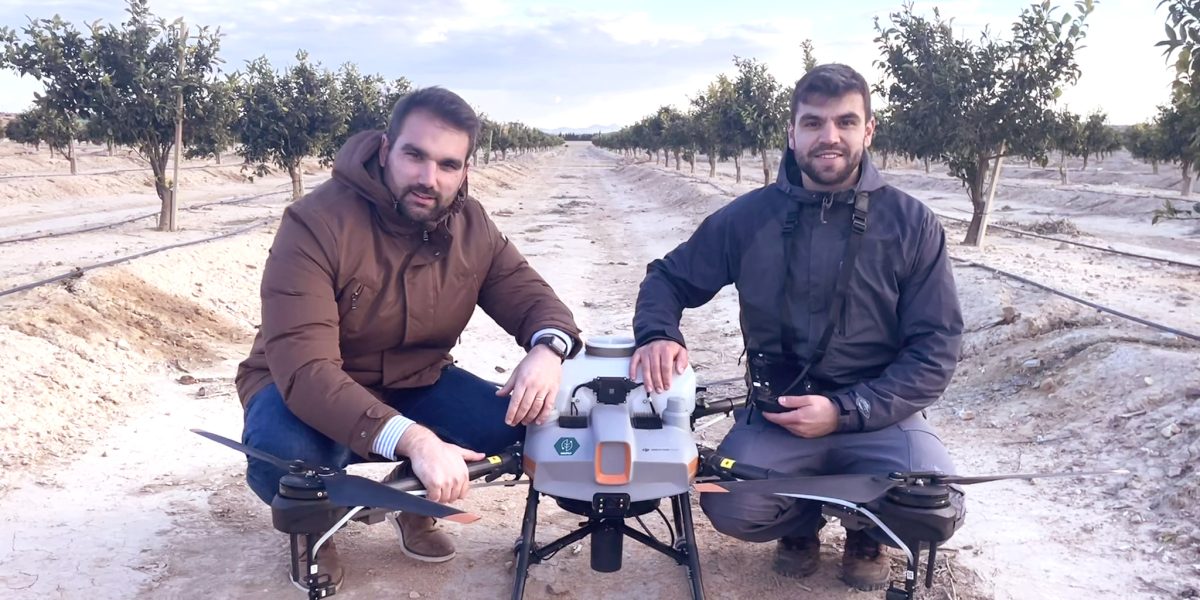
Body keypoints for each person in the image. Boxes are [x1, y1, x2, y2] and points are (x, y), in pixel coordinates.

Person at [630, 63, 963, 592]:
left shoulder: (912, 224)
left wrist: (847, 412)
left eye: (845, 122)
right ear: (791, 132)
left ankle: (865, 531)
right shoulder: (747, 218)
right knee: (728, 500)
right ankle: (801, 524)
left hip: (879, 414)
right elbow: (668, 278)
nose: (829, 137)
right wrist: (657, 334)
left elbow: (936, 348)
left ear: (868, 130)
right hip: (778, 411)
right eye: (813, 123)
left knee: (929, 500)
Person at [235, 87, 581, 592]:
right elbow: (307, 372)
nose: (428, 178)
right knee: (289, 462)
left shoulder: (472, 225)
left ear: (464, 170)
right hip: (302, 390)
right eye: (414, 156)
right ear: (384, 149)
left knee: (523, 424)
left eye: (447, 164)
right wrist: (416, 439)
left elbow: (531, 298)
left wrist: (548, 349)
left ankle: (413, 505)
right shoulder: (314, 224)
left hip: (415, 379)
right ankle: (315, 529)